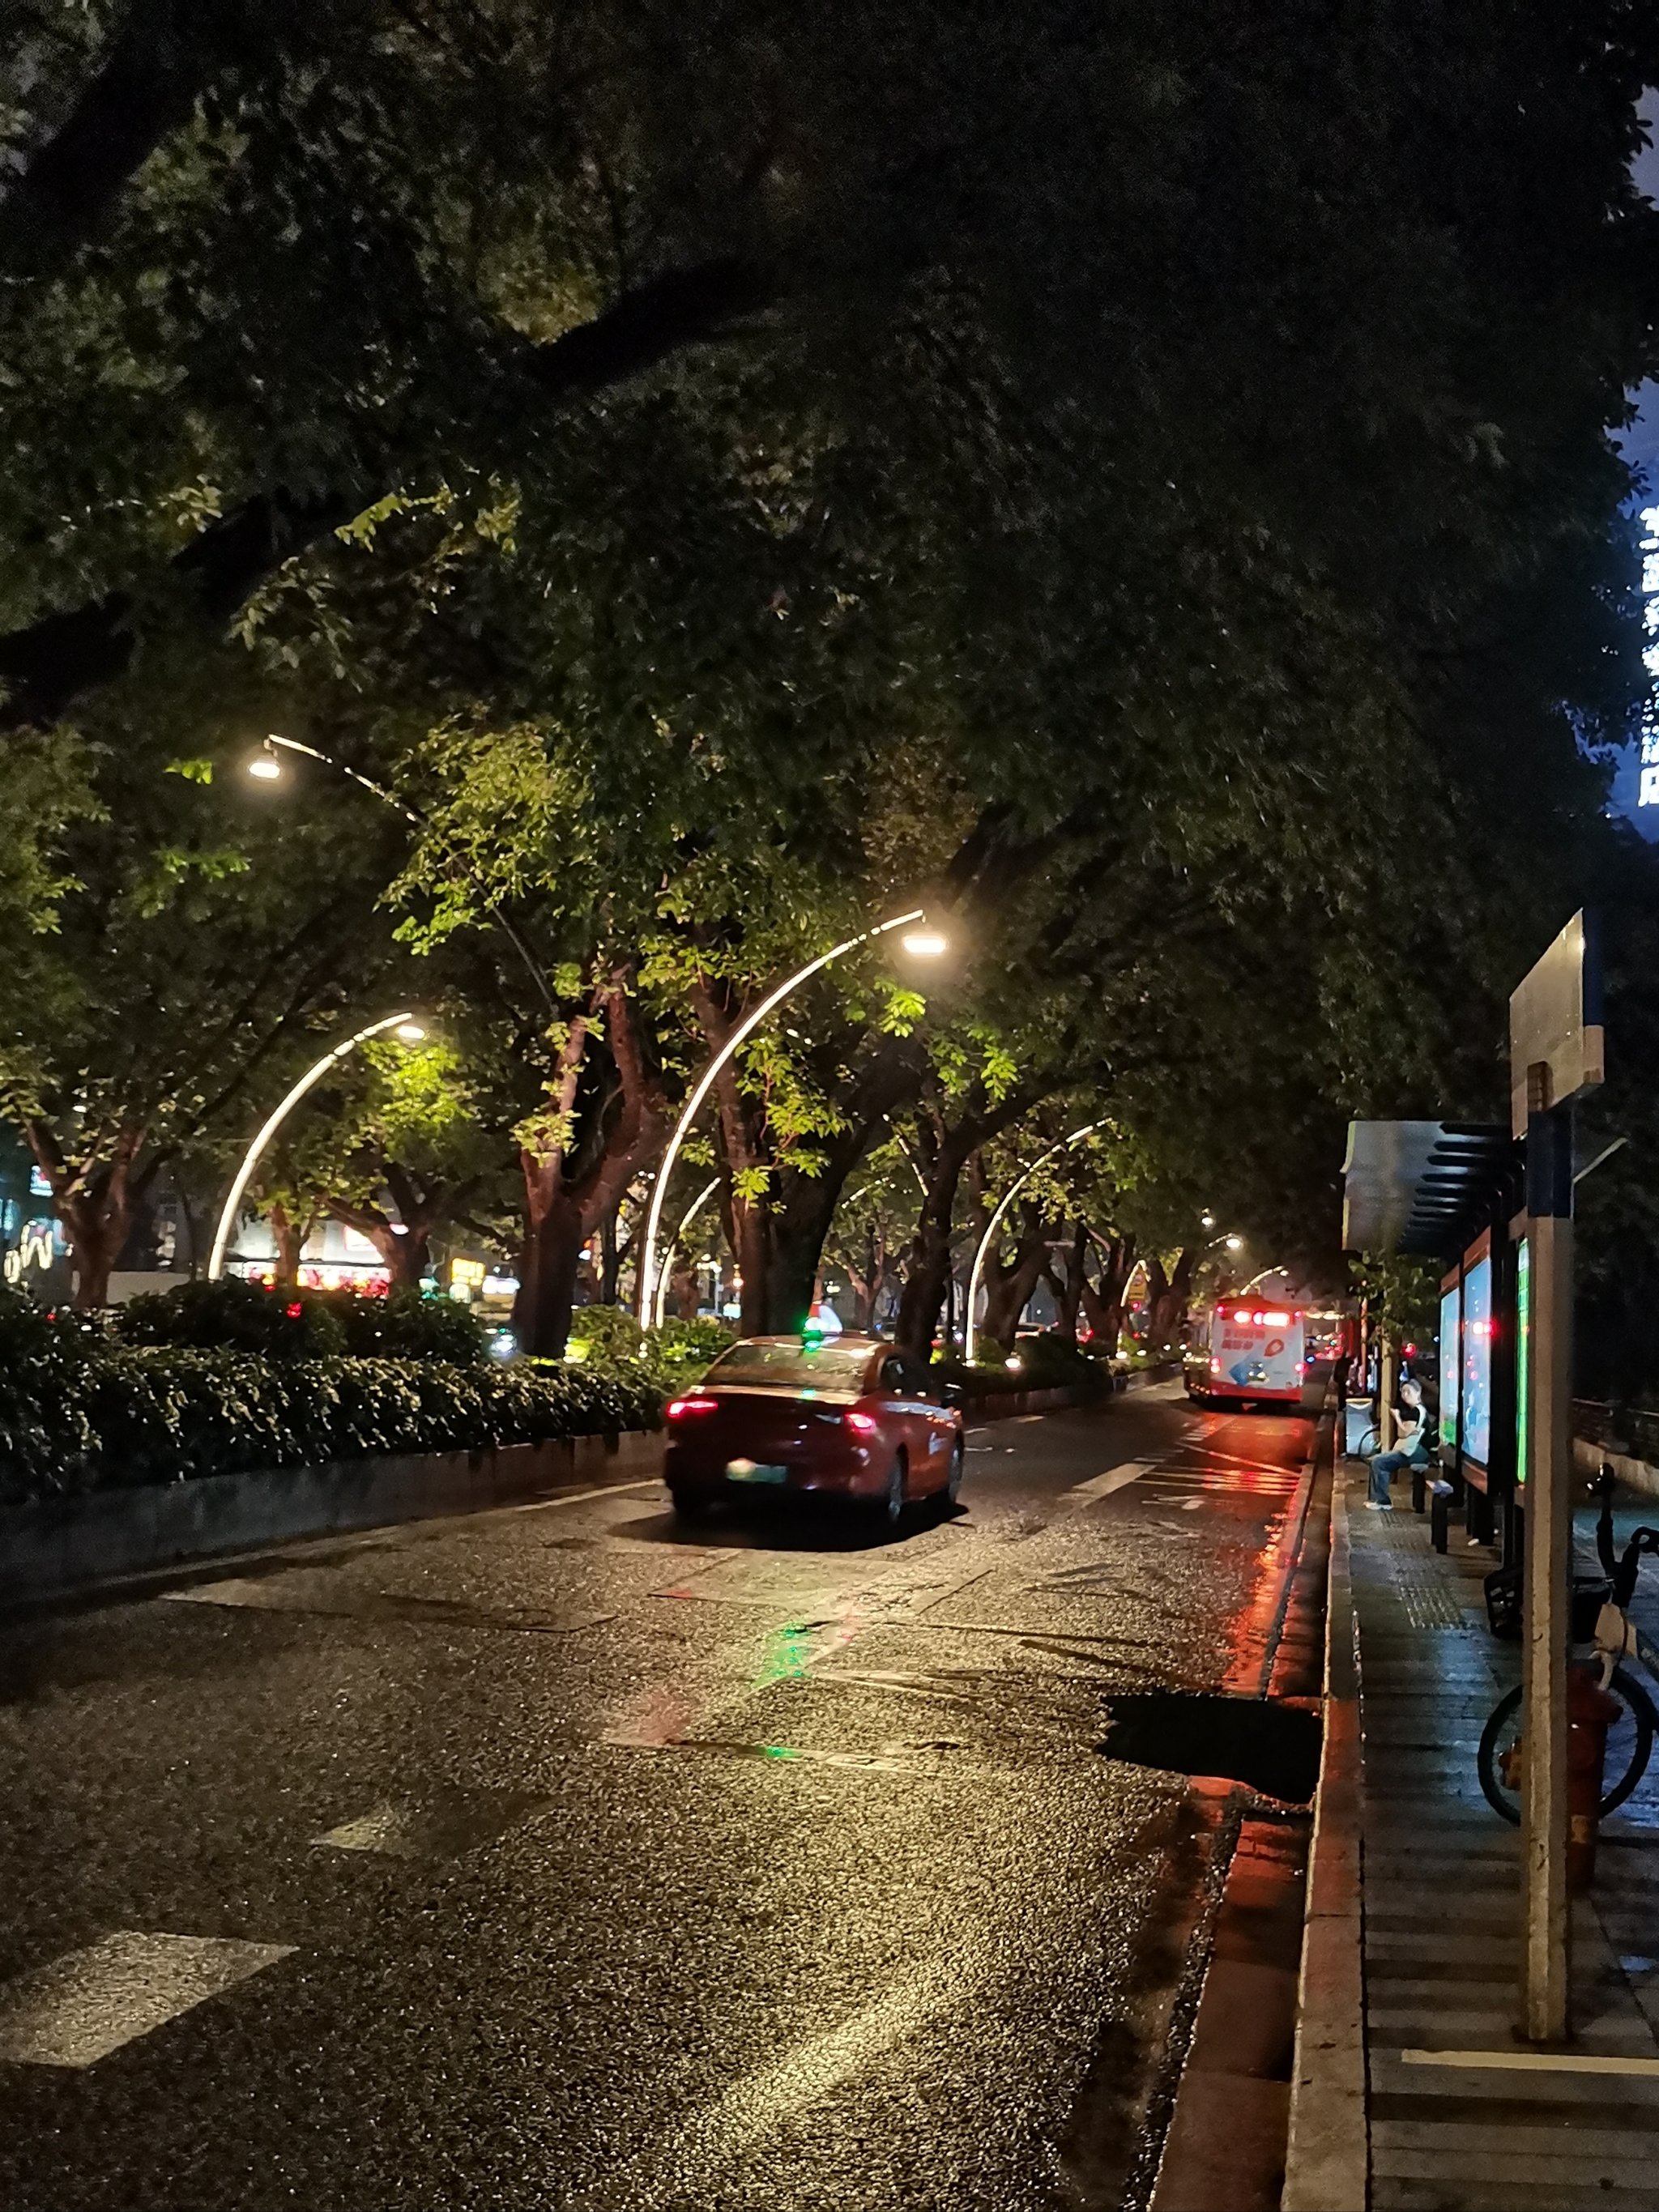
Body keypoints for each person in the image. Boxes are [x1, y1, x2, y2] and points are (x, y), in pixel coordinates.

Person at [1367, 1377, 1430, 1509]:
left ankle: (1383, 1501)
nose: (1405, 1395)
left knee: (1379, 1462)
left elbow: (1404, 1433)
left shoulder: (1416, 1411)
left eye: (1409, 1392)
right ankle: (1377, 1499)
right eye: (1403, 1392)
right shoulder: (1416, 1410)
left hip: (1412, 1452)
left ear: (1418, 1393)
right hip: (1410, 1450)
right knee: (1378, 1461)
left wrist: (1397, 1417)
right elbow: (1403, 1432)